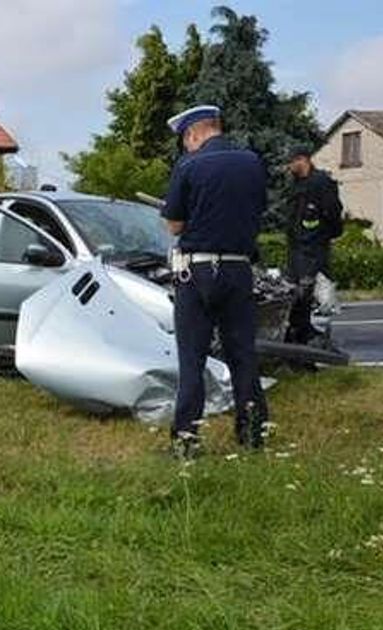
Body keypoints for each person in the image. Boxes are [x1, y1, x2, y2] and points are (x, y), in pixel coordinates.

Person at [161, 105, 269, 458]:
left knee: (192, 359)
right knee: (243, 355)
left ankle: (187, 442)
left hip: (198, 271)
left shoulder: (189, 165)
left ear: (193, 134)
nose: (186, 148)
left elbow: (174, 225)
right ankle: (252, 434)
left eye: (185, 141)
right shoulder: (252, 162)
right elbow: (257, 210)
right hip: (239, 269)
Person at [285, 144, 343, 344]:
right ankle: (299, 334)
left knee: (309, 294)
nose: (289, 166)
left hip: (313, 248)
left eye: (291, 162)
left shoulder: (320, 182)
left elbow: (333, 214)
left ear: (303, 160)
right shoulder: (296, 184)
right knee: (295, 296)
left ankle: (310, 338)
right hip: (297, 249)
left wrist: (324, 236)